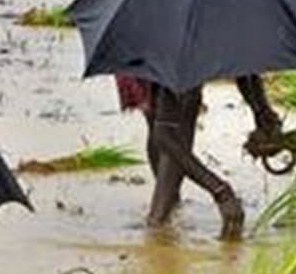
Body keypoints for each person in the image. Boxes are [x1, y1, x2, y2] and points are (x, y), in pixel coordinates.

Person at [116, 74, 282, 240]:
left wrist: (262, 113)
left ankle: (165, 211)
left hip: (164, 64)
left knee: (169, 113)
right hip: (162, 63)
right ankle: (158, 223)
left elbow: (241, 63)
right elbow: (164, 135)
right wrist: (221, 192)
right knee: (176, 114)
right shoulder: (178, 65)